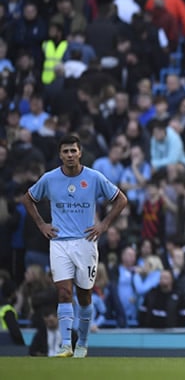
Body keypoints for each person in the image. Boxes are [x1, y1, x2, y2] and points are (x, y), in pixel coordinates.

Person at [20, 134, 128, 358]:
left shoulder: (94, 177)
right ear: (60, 155)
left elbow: (121, 199)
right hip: (59, 242)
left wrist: (104, 224)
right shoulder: (50, 179)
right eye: (65, 151)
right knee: (63, 292)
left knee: (84, 295)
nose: (70, 155)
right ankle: (66, 344)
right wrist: (42, 224)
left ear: (80, 153)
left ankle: (83, 343)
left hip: (86, 242)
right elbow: (27, 199)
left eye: (73, 151)